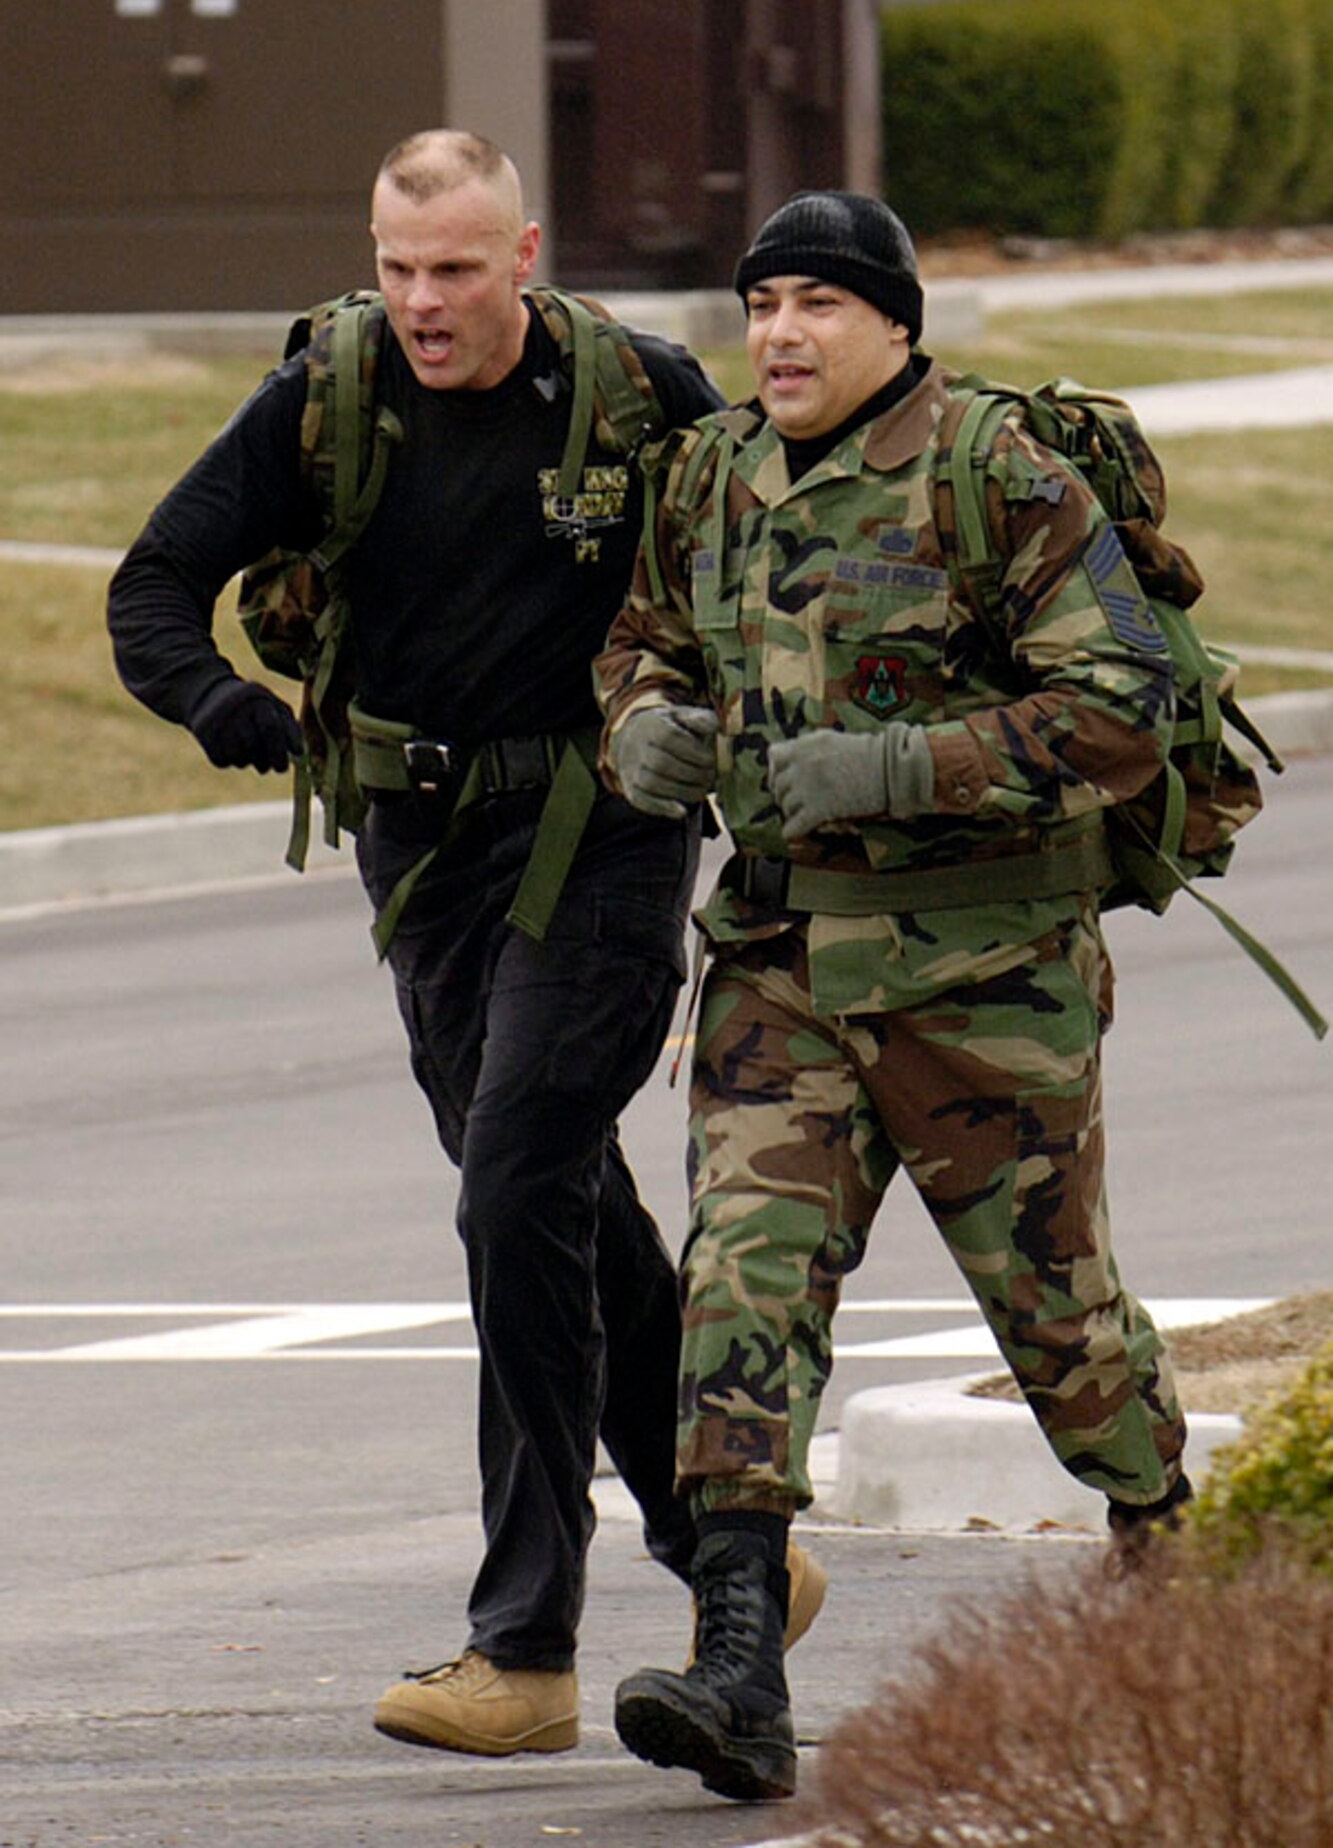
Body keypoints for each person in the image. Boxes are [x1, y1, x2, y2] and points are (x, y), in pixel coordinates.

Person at [106, 129, 824, 1760]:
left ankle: (526, 1649)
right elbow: (153, 584)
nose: (422, 302)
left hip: (603, 843)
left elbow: (786, 564)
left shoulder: (636, 396)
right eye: (395, 265)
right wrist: (221, 701)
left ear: (524, 252)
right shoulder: (329, 396)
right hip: (421, 859)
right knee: (556, 1202)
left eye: (453, 267)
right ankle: (728, 1558)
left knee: (513, 1186)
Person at [594, 190, 1194, 1803]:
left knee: (1057, 1321)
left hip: (982, 978)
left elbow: (1120, 704)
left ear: (896, 324)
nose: (777, 334)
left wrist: (902, 762)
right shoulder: (708, 472)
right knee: (741, 1294)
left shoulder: (997, 471)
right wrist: (640, 721)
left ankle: (1181, 1578)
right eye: (759, 302)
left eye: (815, 304)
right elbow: (642, 640)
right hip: (783, 964)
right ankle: (738, 1669)